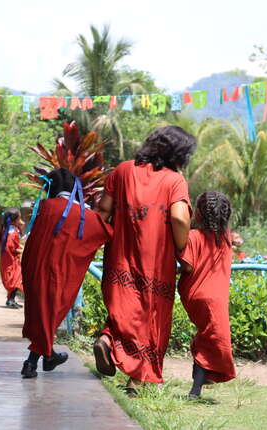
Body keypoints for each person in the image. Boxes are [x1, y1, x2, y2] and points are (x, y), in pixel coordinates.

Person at [94, 126, 196, 391]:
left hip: (119, 258)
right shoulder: (174, 180)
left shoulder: (123, 170)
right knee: (150, 317)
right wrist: (182, 247)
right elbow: (178, 217)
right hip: (155, 263)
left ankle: (106, 341)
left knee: (123, 311)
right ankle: (136, 381)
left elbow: (103, 209)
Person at [20, 168, 113, 378]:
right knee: (50, 314)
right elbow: (106, 233)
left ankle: (47, 358)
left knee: (43, 315)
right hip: (59, 274)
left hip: (34, 271)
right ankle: (31, 363)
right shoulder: (83, 215)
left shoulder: (44, 206)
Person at [178, 191, 236, 398]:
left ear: (199, 214)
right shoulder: (226, 240)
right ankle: (195, 390)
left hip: (194, 295)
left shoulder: (193, 237)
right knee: (212, 339)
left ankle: (200, 382)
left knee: (206, 336)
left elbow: (186, 266)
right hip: (214, 299)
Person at [0, 209, 25, 308]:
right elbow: (12, 247)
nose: (21, 220)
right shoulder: (12, 233)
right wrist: (21, 251)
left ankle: (11, 299)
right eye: (19, 218)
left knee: (14, 278)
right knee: (15, 278)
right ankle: (10, 300)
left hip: (7, 259)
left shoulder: (7, 230)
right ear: (15, 220)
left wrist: (21, 227)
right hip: (11, 260)